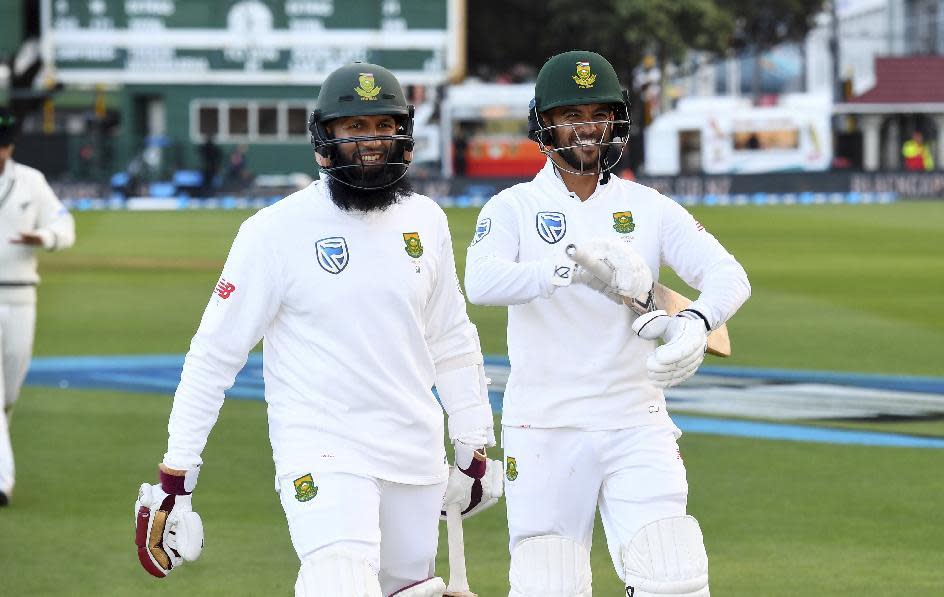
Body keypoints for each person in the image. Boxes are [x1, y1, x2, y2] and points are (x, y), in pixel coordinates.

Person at [133, 63, 502, 597]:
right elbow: (215, 355)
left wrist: (473, 441)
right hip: (322, 450)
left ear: (404, 135)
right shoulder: (273, 232)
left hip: (415, 453)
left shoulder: (428, 220)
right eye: (354, 129)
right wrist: (176, 479)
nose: (371, 143)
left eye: (382, 127)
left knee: (409, 589)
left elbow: (450, 336)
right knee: (339, 581)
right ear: (324, 139)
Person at [465, 51, 751, 596]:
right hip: (544, 424)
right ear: (543, 124)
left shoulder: (648, 207)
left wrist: (695, 320)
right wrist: (573, 266)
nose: (588, 128)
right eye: (572, 114)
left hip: (635, 418)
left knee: (674, 575)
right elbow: (481, 281)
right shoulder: (514, 207)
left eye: (599, 114)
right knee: (548, 582)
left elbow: (729, 275)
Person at [0, 106, 76, 507]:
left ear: (10, 148)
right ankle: (3, 481)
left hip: (20, 293)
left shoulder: (30, 182)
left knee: (9, 391)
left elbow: (65, 225)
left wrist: (44, 238)